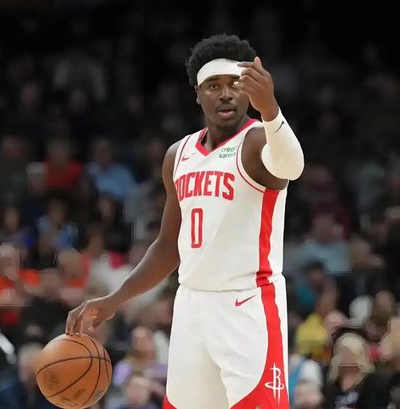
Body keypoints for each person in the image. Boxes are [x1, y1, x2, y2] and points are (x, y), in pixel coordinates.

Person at [66, 33, 305, 408]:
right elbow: (168, 246)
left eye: (234, 84)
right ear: (197, 93)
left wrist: (271, 109)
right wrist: (115, 299)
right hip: (191, 305)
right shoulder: (178, 155)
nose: (225, 94)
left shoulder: (259, 140)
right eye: (214, 86)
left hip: (247, 304)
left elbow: (293, 166)